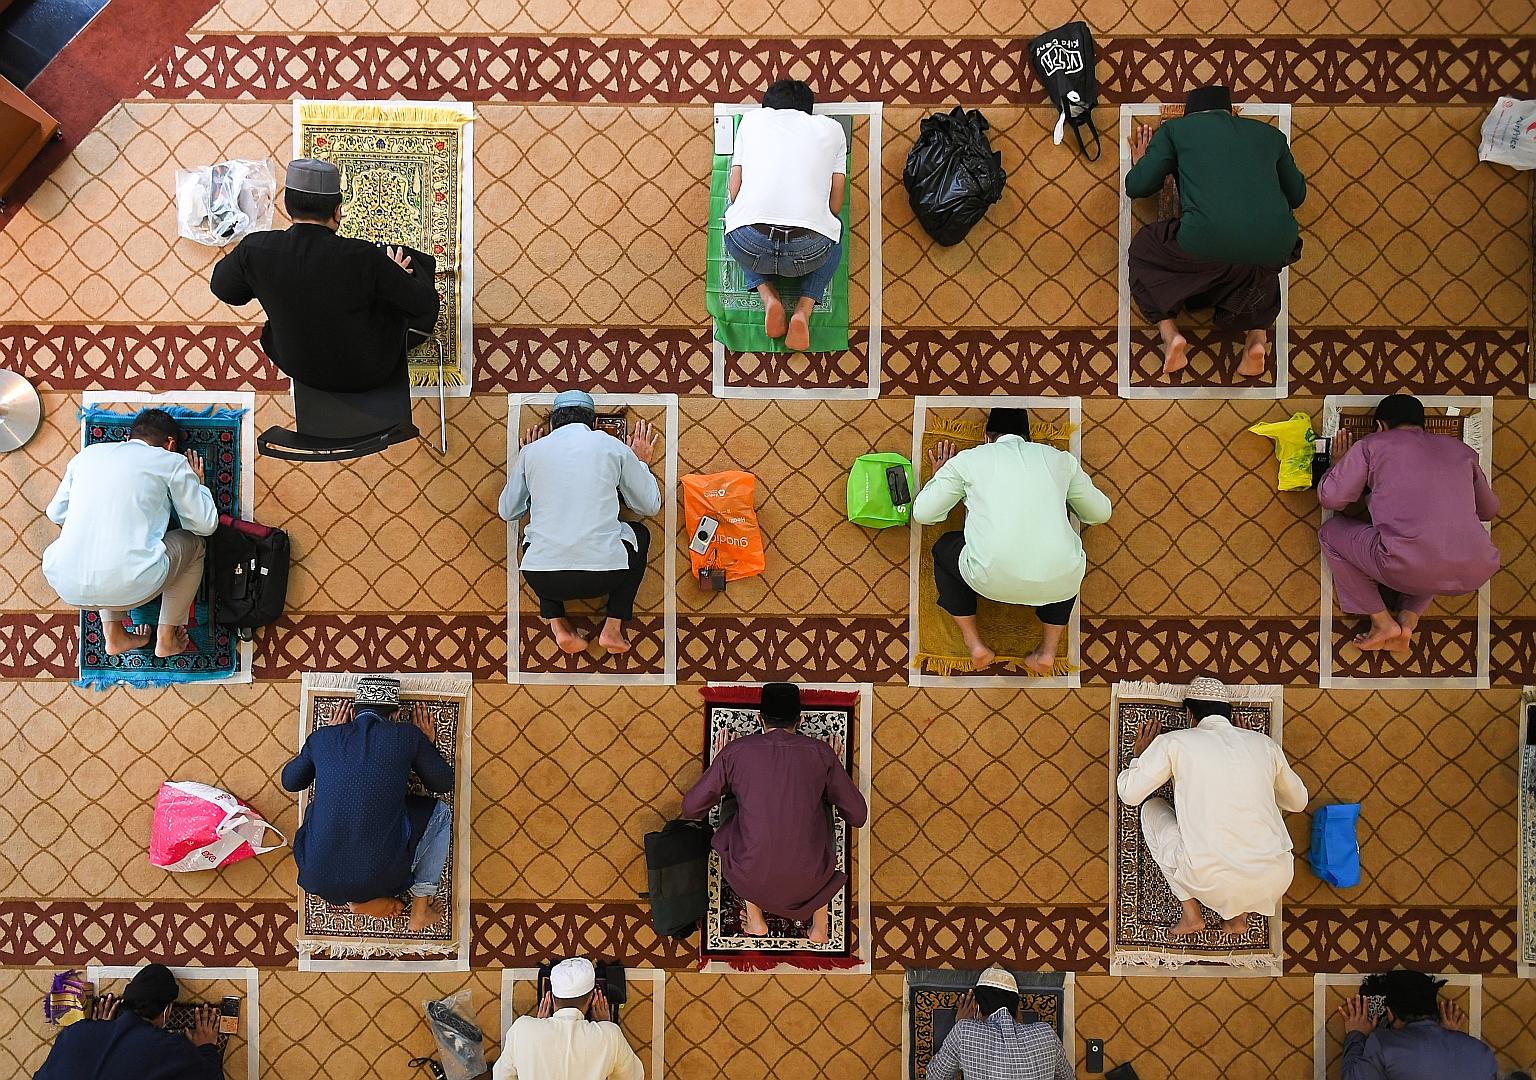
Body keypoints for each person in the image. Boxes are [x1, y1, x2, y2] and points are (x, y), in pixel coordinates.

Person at [209, 158, 439, 393]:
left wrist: (269, 283)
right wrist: (395, 274)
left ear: (287, 206)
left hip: (297, 364)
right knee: (414, 265)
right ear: (337, 211)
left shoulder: (255, 249)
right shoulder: (363, 256)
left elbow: (224, 289)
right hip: (366, 372)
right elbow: (422, 305)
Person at [911, 407, 1112, 673]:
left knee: (943, 547)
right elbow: (1099, 513)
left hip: (987, 578)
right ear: (1028, 438)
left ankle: (976, 646)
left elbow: (925, 514)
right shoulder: (1060, 460)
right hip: (1059, 585)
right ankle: (1047, 652)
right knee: (1065, 558)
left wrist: (940, 477)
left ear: (987, 437)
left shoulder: (969, 460)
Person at [1124, 84, 1306, 378]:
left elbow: (1137, 187)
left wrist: (1143, 163)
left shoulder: (1176, 131)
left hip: (1205, 241)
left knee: (1144, 250)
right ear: (1230, 112)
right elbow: (1297, 195)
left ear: (1189, 115)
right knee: (1261, 265)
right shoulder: (1272, 136)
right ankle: (1256, 340)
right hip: (1277, 244)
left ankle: (1171, 336)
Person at [1115, 677, 1308, 938]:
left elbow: (1130, 794)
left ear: (1190, 715)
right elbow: (1298, 802)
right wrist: (1259, 769)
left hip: (1207, 879)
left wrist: (1140, 757)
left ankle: (1192, 915)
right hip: (1276, 879)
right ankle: (1237, 919)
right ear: (1227, 715)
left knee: (1151, 809)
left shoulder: (1174, 742)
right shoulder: (1264, 745)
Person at [680, 682, 868, 944]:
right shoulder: (821, 753)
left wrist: (726, 775)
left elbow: (691, 809)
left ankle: (755, 918)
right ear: (800, 720)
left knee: (731, 807)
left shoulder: (735, 752)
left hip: (749, 878)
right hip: (812, 880)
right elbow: (857, 816)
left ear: (759, 719)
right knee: (824, 810)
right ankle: (820, 925)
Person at [1319, 393, 1500, 653]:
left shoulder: (1373, 443)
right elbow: (1489, 510)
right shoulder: (1463, 451)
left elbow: (1332, 499)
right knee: (1439, 535)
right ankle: (1408, 620)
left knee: (1330, 532)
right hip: (1475, 570)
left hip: (1405, 568)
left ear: (1380, 427)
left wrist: (1337, 467)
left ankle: (1382, 622)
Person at [281, 675, 454, 932]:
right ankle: (419, 908)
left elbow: (290, 782)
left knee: (319, 807)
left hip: (315, 874)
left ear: (355, 709)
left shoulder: (323, 738)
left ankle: (355, 897)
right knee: (441, 813)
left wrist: (329, 736)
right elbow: (442, 784)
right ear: (395, 714)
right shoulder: (407, 736)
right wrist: (426, 746)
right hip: (382, 876)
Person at [43, 407, 217, 659]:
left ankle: (114, 635)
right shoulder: (170, 460)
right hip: (134, 587)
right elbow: (204, 525)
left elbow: (56, 514)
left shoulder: (87, 455)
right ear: (170, 443)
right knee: (196, 544)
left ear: (127, 439)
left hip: (66, 585)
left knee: (99, 536)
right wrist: (199, 486)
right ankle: (166, 638)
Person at [499, 389, 661, 656]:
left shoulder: (531, 453)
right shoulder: (612, 446)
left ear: (552, 425)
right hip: (606, 576)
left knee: (535, 541)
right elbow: (649, 506)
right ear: (595, 424)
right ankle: (613, 627)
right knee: (640, 533)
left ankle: (559, 626)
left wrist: (529, 473)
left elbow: (508, 511)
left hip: (543, 580)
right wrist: (640, 463)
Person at [723, 78, 847, 352]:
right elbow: (835, 206)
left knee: (732, 214)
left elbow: (734, 191)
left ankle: (768, 298)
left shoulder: (751, 122)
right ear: (808, 110)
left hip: (751, 245)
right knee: (837, 228)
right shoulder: (834, 130)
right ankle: (803, 310)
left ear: (768, 107)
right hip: (809, 254)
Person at [34, 963, 223, 1080]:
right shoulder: (173, 1049)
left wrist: (98, 1028)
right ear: (167, 1011)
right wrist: (206, 1048)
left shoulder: (76, 1032)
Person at [492, 956, 643, 1080]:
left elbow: (501, 1076)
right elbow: (634, 1076)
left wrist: (536, 1026)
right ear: (592, 997)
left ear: (551, 997)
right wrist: (604, 1027)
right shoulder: (610, 1035)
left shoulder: (522, 1029)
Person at [1337, 970, 1497, 1079]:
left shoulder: (1382, 1044)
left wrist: (1356, 1035)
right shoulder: (1481, 1052)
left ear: (1391, 1014)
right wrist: (1449, 1038)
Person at [925, 967, 1073, 1080]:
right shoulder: (1045, 1034)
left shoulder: (964, 1032)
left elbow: (934, 1076)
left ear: (976, 1007)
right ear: (1017, 1008)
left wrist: (960, 1023)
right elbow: (1067, 1077)